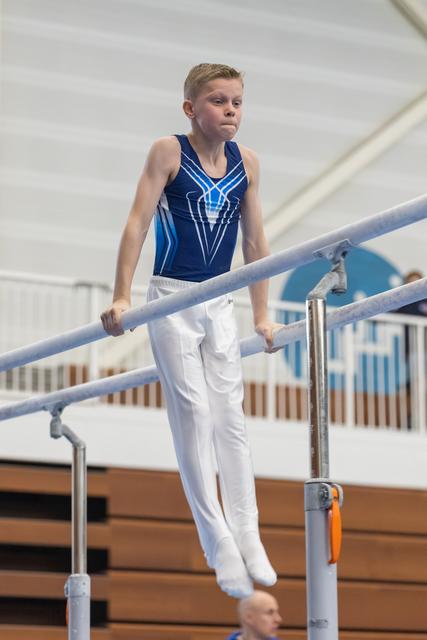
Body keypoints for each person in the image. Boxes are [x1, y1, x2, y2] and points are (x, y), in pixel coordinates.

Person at [101, 63, 280, 598]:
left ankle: (248, 531)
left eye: (238, 102)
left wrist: (263, 314)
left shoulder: (247, 163)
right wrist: (121, 295)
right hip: (171, 301)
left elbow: (255, 244)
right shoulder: (168, 151)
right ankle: (216, 537)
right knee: (195, 413)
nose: (231, 111)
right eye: (219, 101)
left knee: (231, 420)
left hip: (219, 301)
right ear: (190, 109)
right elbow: (136, 222)